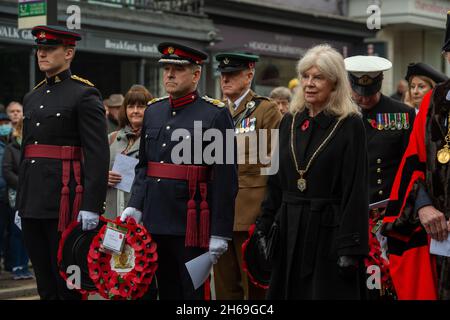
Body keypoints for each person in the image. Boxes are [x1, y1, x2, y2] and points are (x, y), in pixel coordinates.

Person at [120, 42, 238, 300]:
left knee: (192, 295)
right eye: (166, 69)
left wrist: (220, 230)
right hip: (154, 219)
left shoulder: (214, 114)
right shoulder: (154, 110)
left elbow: (225, 178)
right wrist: (136, 204)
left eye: (178, 69)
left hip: (192, 224)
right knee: (162, 290)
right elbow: (144, 167)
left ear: (196, 75)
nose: (170, 74)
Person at [253, 44, 368, 299]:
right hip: (289, 228)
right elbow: (275, 180)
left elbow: (355, 189)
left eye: (318, 77)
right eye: (305, 76)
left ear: (335, 84)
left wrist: (350, 247)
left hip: (329, 234)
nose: (309, 83)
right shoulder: (290, 121)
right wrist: (264, 224)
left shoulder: (350, 125)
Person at [17, 25, 109, 300]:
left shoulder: (84, 94)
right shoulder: (31, 97)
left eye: (49, 49)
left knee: (68, 284)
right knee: (44, 282)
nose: (42, 53)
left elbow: (97, 154)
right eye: (39, 49)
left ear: (69, 53)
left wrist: (92, 206)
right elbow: (27, 153)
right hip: (32, 203)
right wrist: (21, 202)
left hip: (65, 204)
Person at [382, 12, 450, 300]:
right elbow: (413, 162)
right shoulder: (435, 101)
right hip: (440, 237)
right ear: (447, 55)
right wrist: (423, 206)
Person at [344, 55, 416, 298]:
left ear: (380, 84)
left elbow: (410, 165)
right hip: (349, 211)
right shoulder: (340, 114)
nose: (364, 99)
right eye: (358, 93)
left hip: (386, 213)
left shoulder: (402, 114)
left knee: (383, 279)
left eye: (370, 93)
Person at [213, 52, 281, 300]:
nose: (225, 79)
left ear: (249, 75)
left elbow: (275, 167)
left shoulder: (266, 110)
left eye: (232, 74)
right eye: (223, 74)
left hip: (252, 217)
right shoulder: (217, 112)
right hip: (221, 216)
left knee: (256, 289)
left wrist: (269, 216)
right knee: (224, 289)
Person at [105, 85, 152, 219]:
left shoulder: (154, 140)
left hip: (139, 217)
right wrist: (103, 177)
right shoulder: (111, 138)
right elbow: (92, 173)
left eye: (141, 106)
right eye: (131, 106)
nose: (135, 111)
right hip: (111, 214)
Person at [2, 117, 33, 280]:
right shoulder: (11, 148)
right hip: (16, 196)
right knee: (15, 232)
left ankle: (25, 265)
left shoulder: (33, 146)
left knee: (27, 232)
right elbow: (6, 171)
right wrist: (23, 183)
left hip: (32, 195)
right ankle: (16, 266)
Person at [0, 112, 12, 274]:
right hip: (2, 192)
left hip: (9, 194)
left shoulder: (12, 143)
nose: (4, 126)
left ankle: (11, 263)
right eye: (1, 123)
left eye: (6, 123)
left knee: (11, 232)